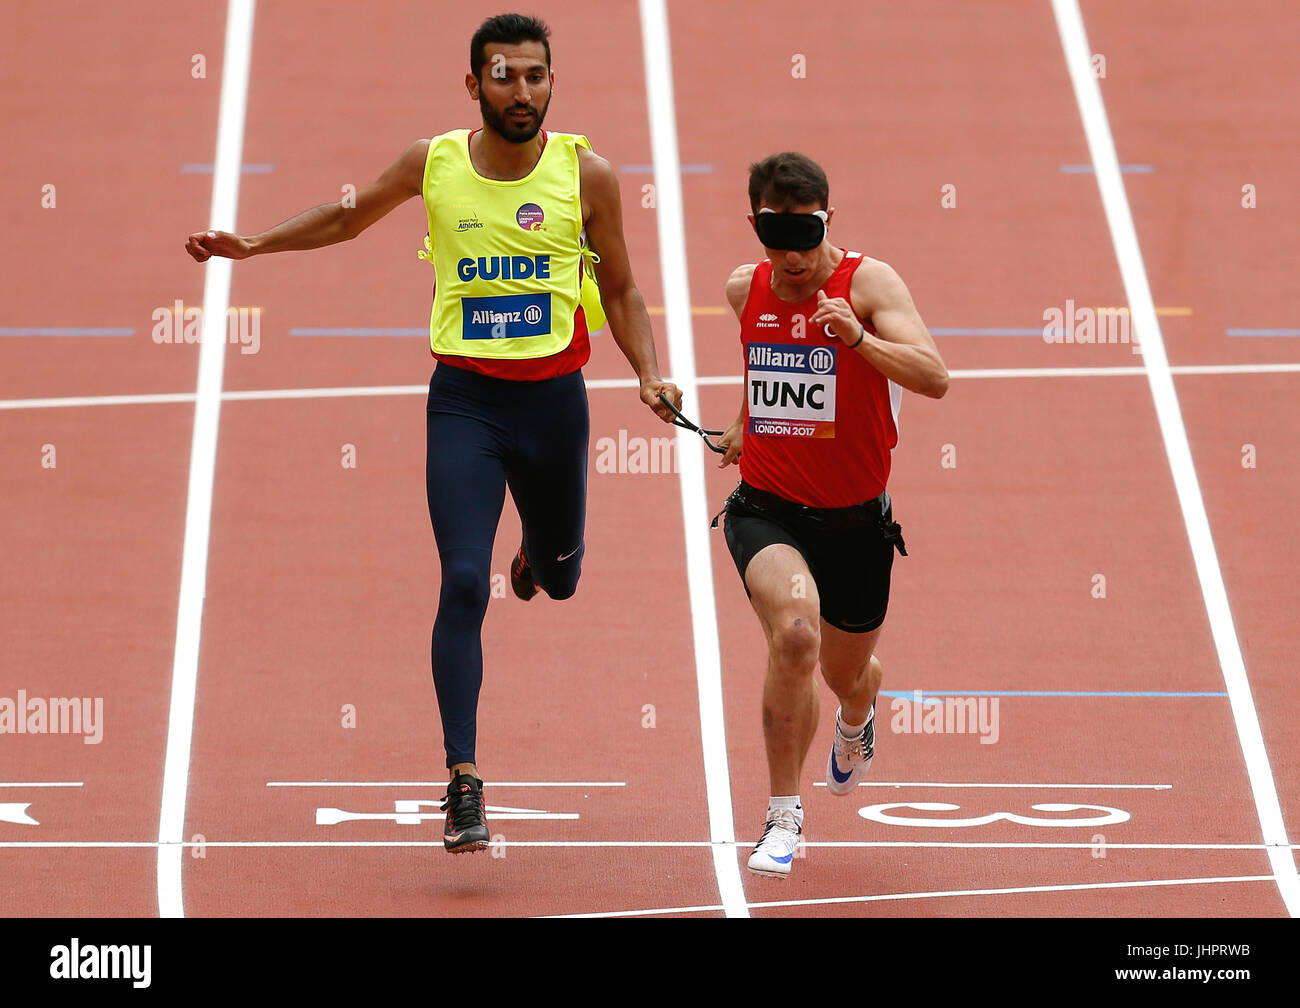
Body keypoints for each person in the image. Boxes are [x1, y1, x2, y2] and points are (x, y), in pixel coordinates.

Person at [185, 13, 681, 854]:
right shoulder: (435, 162)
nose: (520, 92)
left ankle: (538, 556)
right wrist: (255, 246)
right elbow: (349, 218)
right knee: (460, 580)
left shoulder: (586, 175)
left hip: (555, 401)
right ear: (473, 84)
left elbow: (624, 288)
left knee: (560, 580)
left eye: (534, 76)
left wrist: (648, 371)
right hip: (466, 406)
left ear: (553, 82)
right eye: (503, 76)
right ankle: (463, 782)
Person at [714, 152, 948, 878]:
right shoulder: (742, 288)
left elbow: (935, 377)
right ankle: (784, 817)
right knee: (793, 636)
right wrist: (745, 426)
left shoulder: (868, 284)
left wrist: (858, 338)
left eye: (806, 235)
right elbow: (773, 372)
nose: (791, 256)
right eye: (775, 237)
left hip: (856, 524)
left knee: (847, 673)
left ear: (828, 221)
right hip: (767, 509)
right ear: (754, 225)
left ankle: (859, 712)